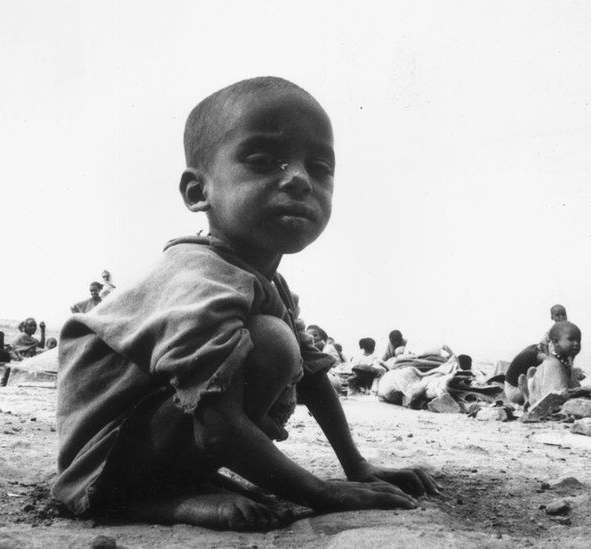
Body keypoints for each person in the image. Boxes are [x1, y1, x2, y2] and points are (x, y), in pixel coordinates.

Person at [53, 77, 438, 531]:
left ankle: (182, 480)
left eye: (319, 167)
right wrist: (323, 492)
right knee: (271, 341)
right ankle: (154, 499)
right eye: (262, 161)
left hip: (152, 442)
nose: (298, 178)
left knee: (279, 342)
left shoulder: (262, 278)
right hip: (103, 467)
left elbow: (312, 378)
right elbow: (216, 425)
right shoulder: (198, 277)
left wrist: (356, 466)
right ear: (199, 193)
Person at [522, 321, 582, 406]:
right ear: (555, 342)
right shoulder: (553, 365)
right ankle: (529, 387)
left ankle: (531, 381)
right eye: (571, 339)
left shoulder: (565, 363)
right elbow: (553, 400)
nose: (576, 344)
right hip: (541, 401)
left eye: (579, 340)